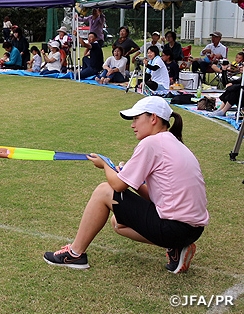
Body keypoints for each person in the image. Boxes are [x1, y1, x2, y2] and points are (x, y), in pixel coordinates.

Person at [44, 96, 208, 273]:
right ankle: (176, 247)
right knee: (118, 223)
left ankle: (75, 254)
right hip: (191, 230)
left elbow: (117, 186)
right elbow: (157, 197)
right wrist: (129, 178)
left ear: (153, 118)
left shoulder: (152, 143)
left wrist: (106, 165)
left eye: (136, 118)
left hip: (175, 228)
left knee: (103, 191)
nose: (132, 124)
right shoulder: (171, 141)